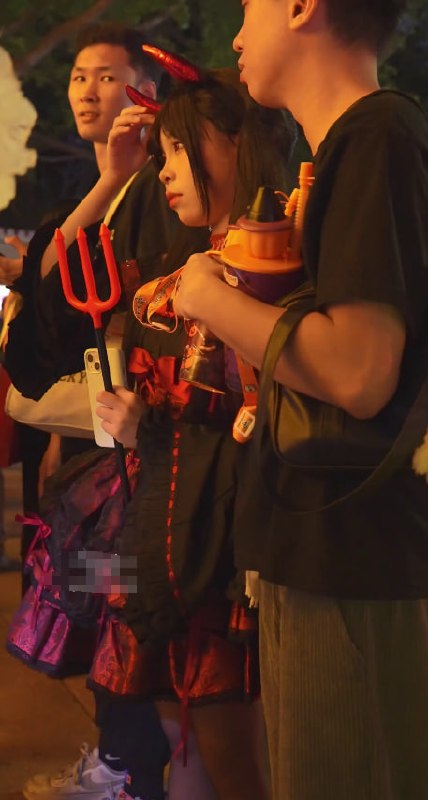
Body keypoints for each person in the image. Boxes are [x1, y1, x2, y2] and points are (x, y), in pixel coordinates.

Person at [170, 1, 428, 799]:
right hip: (326, 550)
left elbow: (359, 371)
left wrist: (207, 298)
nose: (237, 35)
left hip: (351, 559)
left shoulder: (376, 136)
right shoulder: (351, 145)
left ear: (302, 6)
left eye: (249, 8)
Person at [85, 59, 296, 800]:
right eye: (166, 153)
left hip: (227, 547)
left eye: (181, 149)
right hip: (167, 530)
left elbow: (262, 413)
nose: (167, 170)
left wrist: (151, 427)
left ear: (239, 143)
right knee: (190, 744)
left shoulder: (277, 269)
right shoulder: (174, 279)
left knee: (234, 752)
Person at [5, 22, 206, 800]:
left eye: (106, 76)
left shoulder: (161, 196)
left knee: (128, 616)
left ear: (145, 94)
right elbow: (45, 299)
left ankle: (129, 769)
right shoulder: (100, 198)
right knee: (99, 614)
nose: (88, 90)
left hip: (137, 458)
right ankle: (118, 760)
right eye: (78, 76)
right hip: (93, 462)